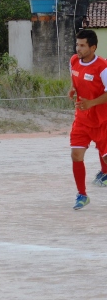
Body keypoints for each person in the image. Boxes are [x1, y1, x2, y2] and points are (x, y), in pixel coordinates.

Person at [67, 29, 107, 209]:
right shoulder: (74, 61)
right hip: (82, 119)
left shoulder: (103, 67)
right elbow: (75, 78)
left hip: (102, 121)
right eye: (77, 44)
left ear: (93, 47)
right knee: (76, 155)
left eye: (82, 45)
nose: (78, 48)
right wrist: (73, 89)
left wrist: (92, 103)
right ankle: (82, 195)